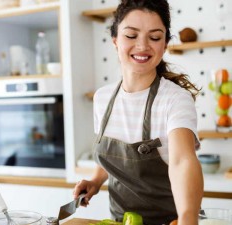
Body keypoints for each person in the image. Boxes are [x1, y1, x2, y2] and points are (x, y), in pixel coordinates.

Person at [73, 0, 204, 225]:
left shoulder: (175, 99)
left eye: (154, 37)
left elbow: (182, 161)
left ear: (164, 45)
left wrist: (187, 217)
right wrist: (95, 180)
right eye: (131, 36)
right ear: (115, 40)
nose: (142, 46)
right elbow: (112, 155)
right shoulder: (102, 98)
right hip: (119, 221)